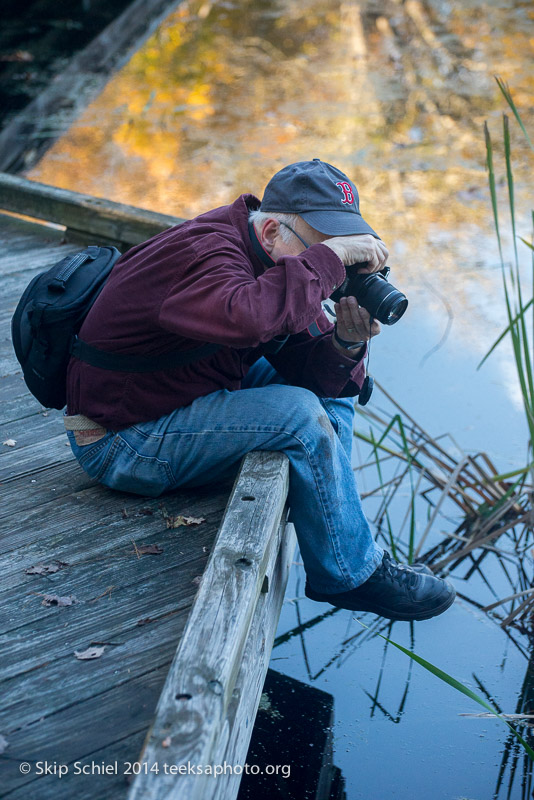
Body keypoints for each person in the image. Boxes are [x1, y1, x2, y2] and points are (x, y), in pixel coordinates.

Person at [64, 158, 455, 621]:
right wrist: (328, 262)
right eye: (329, 253)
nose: (335, 272)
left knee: (326, 398)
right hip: (122, 438)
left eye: (343, 251)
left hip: (180, 394)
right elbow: (248, 315)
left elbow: (315, 372)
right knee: (298, 414)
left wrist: (346, 341)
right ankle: (351, 574)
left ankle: (334, 529)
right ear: (271, 232)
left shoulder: (274, 257)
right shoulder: (205, 255)